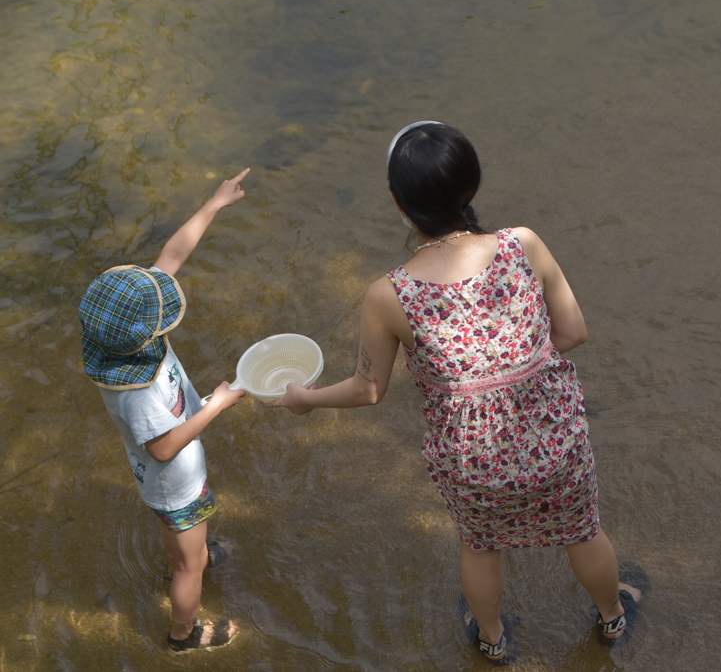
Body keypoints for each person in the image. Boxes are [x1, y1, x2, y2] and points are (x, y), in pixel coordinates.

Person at [267, 123, 642, 662]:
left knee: (481, 546)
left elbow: (368, 390)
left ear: (398, 202)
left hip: (472, 458)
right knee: (582, 531)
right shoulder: (522, 243)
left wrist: (304, 399)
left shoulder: (388, 295)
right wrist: (518, 363)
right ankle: (611, 618)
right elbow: (573, 333)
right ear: (472, 183)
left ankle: (492, 641)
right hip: (553, 438)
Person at [78, 169, 251, 653]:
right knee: (188, 567)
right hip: (175, 484)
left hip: (162, 485)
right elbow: (163, 447)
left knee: (183, 542)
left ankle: (188, 554)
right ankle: (184, 634)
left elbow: (171, 257)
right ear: (147, 333)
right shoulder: (138, 394)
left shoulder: (121, 343)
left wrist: (214, 203)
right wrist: (218, 403)